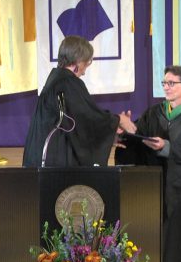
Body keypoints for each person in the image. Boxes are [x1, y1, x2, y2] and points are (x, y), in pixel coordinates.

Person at [116, 65, 181, 262]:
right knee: (169, 252)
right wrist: (124, 135)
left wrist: (167, 147)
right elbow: (139, 140)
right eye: (164, 83)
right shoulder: (155, 112)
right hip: (162, 191)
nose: (166, 87)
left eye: (171, 83)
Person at [22, 35, 136, 167]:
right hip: (55, 159)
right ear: (78, 61)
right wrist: (119, 120)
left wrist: (108, 134)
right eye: (86, 64)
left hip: (40, 154)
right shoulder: (68, 82)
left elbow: (74, 123)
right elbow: (87, 117)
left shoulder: (55, 79)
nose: (84, 72)